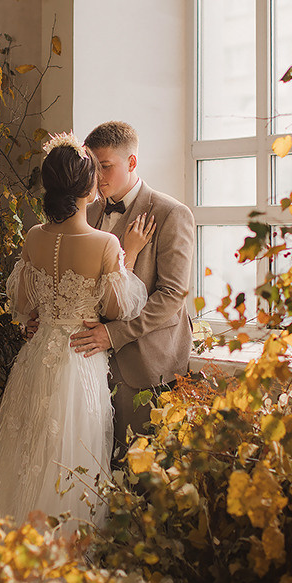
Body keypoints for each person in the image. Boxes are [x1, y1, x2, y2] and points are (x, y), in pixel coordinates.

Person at [0, 132, 151, 527]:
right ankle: (61, 555)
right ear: (87, 188)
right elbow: (120, 307)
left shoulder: (34, 236)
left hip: (36, 357)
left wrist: (41, 316)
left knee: (24, 452)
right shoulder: (105, 243)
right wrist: (130, 253)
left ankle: (12, 545)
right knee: (69, 456)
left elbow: (23, 302)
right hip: (79, 361)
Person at [69, 121, 195, 459]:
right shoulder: (88, 211)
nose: (97, 177)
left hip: (147, 363)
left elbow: (172, 295)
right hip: (89, 364)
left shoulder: (172, 214)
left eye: (106, 166)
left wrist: (113, 335)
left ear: (132, 162)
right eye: (92, 167)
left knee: (140, 469)